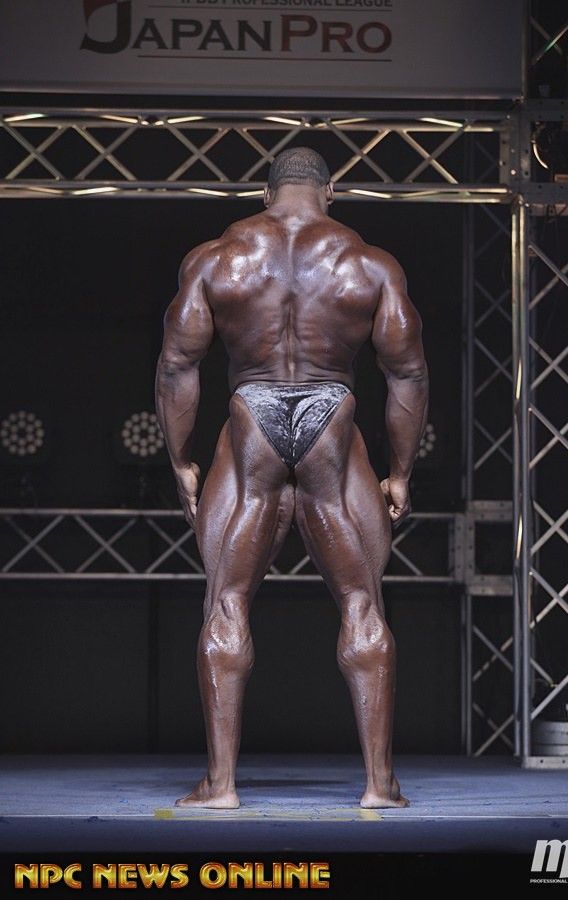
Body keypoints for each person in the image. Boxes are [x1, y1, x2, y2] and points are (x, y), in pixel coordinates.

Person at [155, 147, 428, 809]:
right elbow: (407, 374)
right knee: (362, 601)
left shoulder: (215, 259)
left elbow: (177, 365)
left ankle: (221, 786)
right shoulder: (371, 265)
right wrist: (400, 472)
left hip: (252, 412)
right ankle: (378, 785)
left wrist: (181, 461)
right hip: (333, 412)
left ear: (265, 191)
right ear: (329, 192)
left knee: (226, 600)